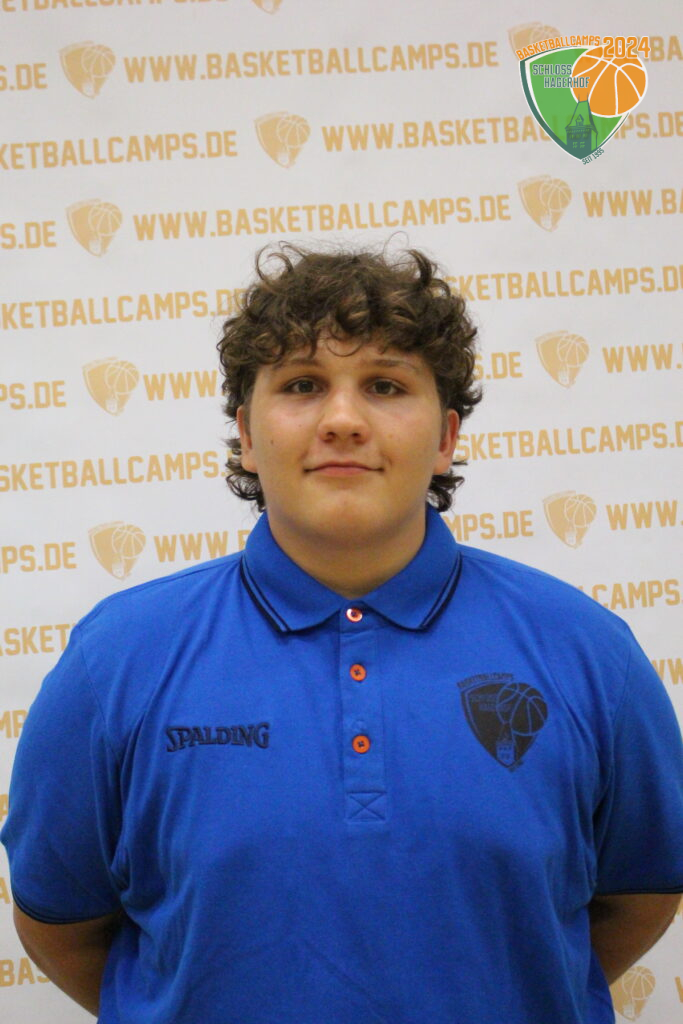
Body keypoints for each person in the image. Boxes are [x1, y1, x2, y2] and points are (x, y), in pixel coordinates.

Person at [2, 244, 682, 1024]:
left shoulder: (587, 653)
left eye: (385, 386)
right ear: (246, 435)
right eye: (301, 385)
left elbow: (640, 894)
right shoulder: (116, 660)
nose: (343, 420)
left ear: (445, 438)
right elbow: (61, 924)